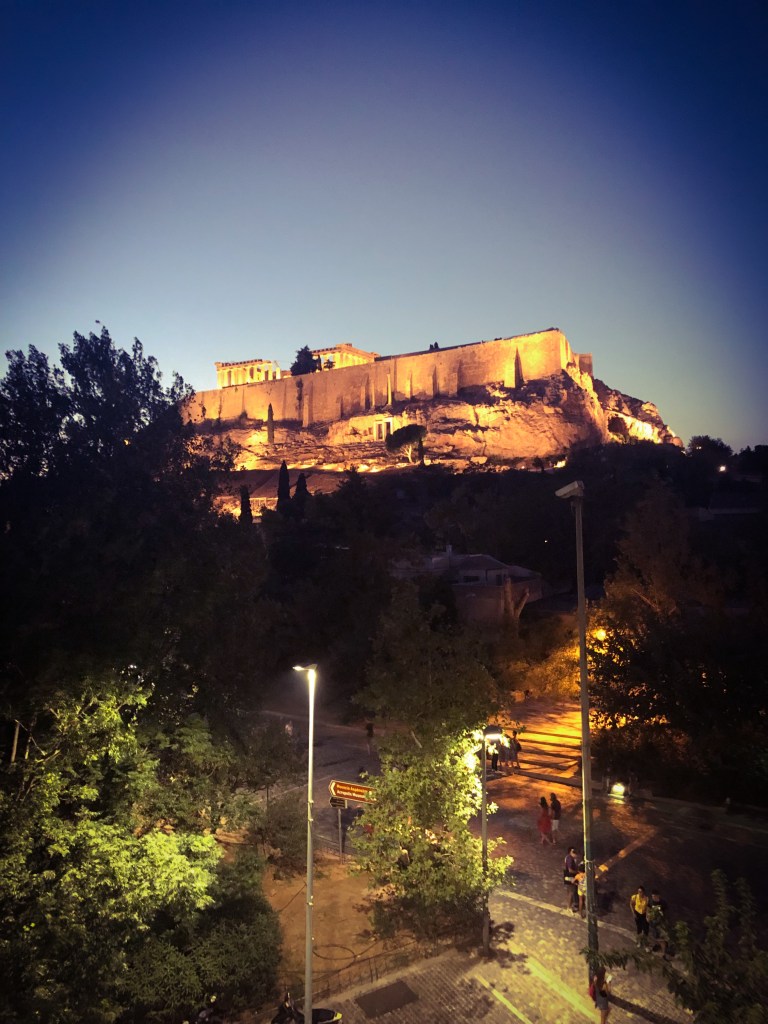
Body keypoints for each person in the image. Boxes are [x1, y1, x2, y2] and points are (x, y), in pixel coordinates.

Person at [647, 888, 670, 958]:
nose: (653, 898)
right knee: (655, 937)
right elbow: (648, 910)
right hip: (653, 922)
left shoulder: (663, 903)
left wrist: (662, 917)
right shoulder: (650, 902)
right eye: (652, 896)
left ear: (658, 896)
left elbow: (666, 913)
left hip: (661, 923)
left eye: (655, 896)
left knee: (661, 938)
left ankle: (664, 953)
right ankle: (658, 946)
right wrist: (647, 917)